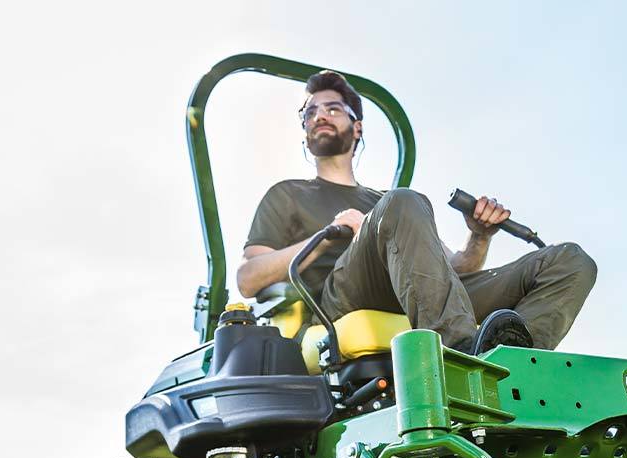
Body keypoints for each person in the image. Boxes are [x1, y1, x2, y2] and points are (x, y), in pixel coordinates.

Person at [237, 70, 597, 353]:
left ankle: (516, 361)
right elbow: (248, 278)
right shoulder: (287, 195)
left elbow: (454, 269)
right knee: (405, 201)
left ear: (357, 127)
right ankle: (460, 357)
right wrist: (324, 237)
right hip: (341, 299)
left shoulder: (386, 201)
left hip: (418, 293)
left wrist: (479, 236)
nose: (319, 117)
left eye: (332, 108)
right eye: (309, 112)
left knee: (570, 262)